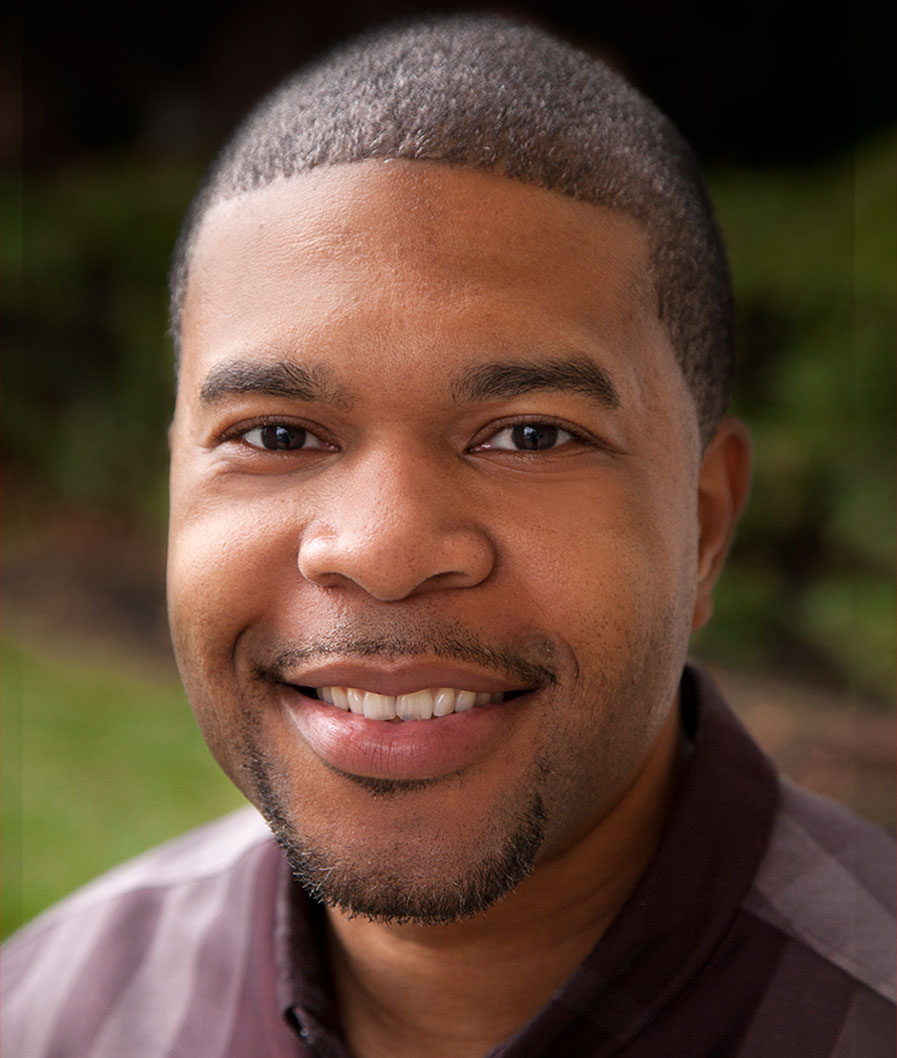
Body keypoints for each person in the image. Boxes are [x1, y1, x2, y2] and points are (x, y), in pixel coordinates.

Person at [3, 15, 894, 1058]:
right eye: (277, 435)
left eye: (529, 434)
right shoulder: (56, 1013)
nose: (382, 550)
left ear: (704, 523)